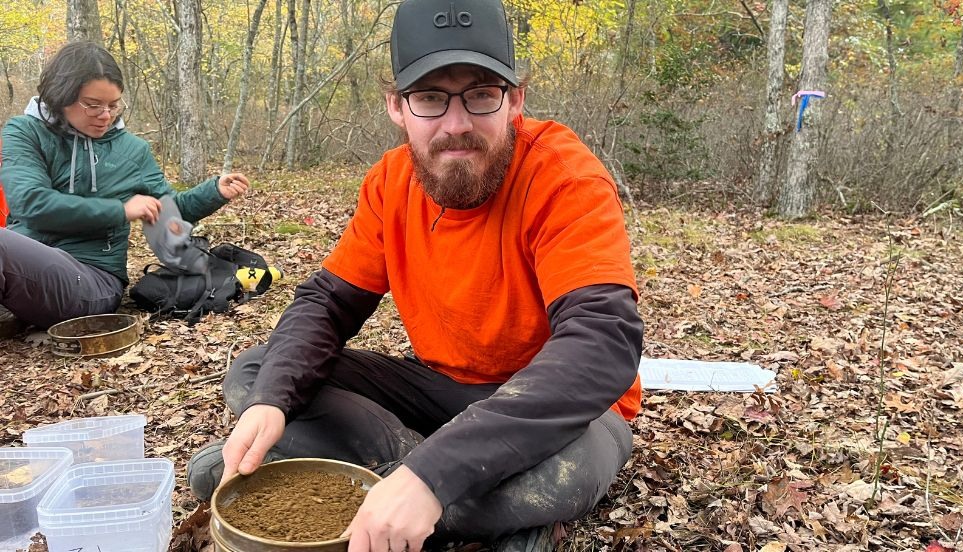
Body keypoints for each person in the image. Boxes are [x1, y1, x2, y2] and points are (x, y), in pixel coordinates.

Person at [187, 0, 643, 550]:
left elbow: (602, 342)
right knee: (261, 373)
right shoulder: (391, 182)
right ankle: (424, 492)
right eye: (430, 98)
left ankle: (379, 487)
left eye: (480, 95)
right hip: (440, 391)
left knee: (561, 471)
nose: (456, 125)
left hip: (558, 412)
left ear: (515, 100)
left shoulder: (563, 177)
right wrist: (272, 403)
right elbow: (327, 303)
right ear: (397, 107)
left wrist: (435, 471)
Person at [0, 42, 249, 331]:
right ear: (61, 96)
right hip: (21, 264)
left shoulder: (132, 151)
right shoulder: (25, 132)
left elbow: (170, 210)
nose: (105, 115)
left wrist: (214, 191)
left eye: (114, 104)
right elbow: (30, 203)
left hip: (91, 279)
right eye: (93, 105)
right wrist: (120, 210)